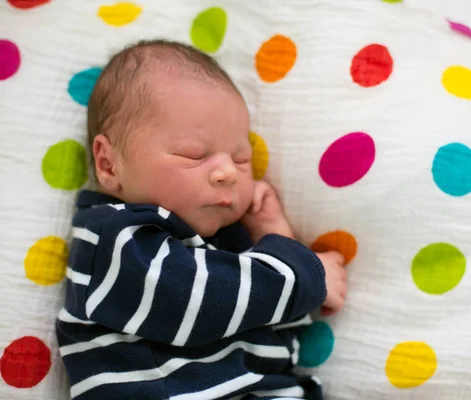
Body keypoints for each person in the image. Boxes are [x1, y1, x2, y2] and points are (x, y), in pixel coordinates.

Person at [56, 39, 348, 400]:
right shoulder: (112, 239)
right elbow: (197, 301)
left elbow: (271, 313)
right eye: (194, 155)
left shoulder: (224, 240)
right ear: (108, 164)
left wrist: (272, 232)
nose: (227, 172)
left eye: (241, 158)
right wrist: (305, 274)